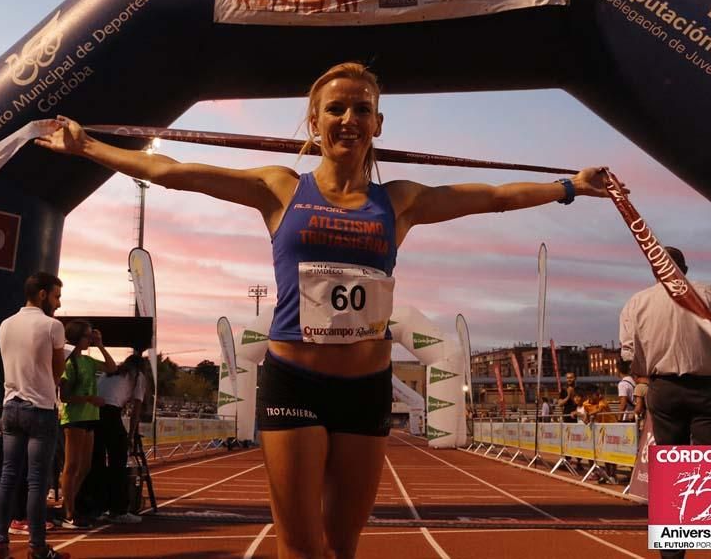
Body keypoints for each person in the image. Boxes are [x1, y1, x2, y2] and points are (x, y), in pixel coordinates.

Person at [36, 61, 611, 559]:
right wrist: (86, 146)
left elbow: (493, 197)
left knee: (341, 547)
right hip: (294, 385)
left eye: (362, 109)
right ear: (315, 121)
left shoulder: (400, 201)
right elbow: (174, 173)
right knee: (300, 547)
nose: (349, 119)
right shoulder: (280, 187)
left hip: (365, 389)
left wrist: (568, 187)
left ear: (378, 124)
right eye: (335, 108)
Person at [619, 246, 711, 559]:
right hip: (709, 386)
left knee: (671, 470)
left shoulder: (638, 303)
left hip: (664, 388)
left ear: (656, 270)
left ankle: (672, 554)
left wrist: (649, 370)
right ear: (686, 267)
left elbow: (630, 356)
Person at [0, 272, 69, 559]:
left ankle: (0, 544)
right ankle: (37, 548)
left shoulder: (5, 325)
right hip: (40, 409)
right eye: (56, 296)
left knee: (7, 477)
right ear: (42, 294)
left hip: (10, 406)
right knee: (37, 481)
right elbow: (58, 371)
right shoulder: (53, 326)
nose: (59, 303)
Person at [55, 321, 111, 529]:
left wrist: (101, 345)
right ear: (78, 338)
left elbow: (112, 367)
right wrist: (89, 399)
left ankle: (69, 505)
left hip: (90, 416)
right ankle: (68, 511)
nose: (90, 339)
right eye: (88, 336)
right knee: (71, 465)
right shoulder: (69, 362)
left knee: (85, 466)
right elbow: (66, 396)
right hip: (74, 417)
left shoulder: (88, 360)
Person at [80, 353, 148, 524]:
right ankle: (118, 509)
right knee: (118, 462)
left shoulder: (110, 373)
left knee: (96, 462)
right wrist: (131, 435)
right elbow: (136, 411)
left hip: (92, 413)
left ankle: (96, 506)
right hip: (110, 412)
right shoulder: (138, 376)